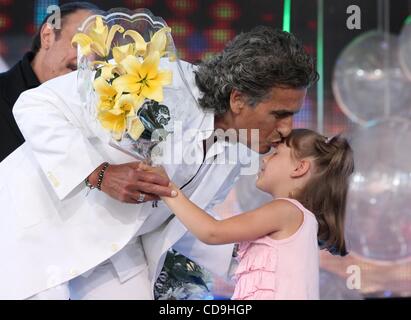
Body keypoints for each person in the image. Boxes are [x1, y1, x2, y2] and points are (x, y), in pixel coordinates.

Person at [0, 24, 318, 299]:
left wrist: (257, 254)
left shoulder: (239, 146)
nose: (288, 128)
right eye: (280, 114)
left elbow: (177, 217)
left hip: (116, 253)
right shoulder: (160, 81)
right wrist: (98, 173)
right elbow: (35, 105)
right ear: (238, 99)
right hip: (37, 228)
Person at [157, 129, 354, 300]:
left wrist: (166, 188)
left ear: (299, 167)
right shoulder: (297, 217)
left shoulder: (286, 211)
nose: (264, 158)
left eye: (276, 153)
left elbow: (212, 232)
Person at [0, 2, 99, 162]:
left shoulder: (101, 117)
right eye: (81, 44)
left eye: (100, 53)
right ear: (47, 36)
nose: (90, 59)